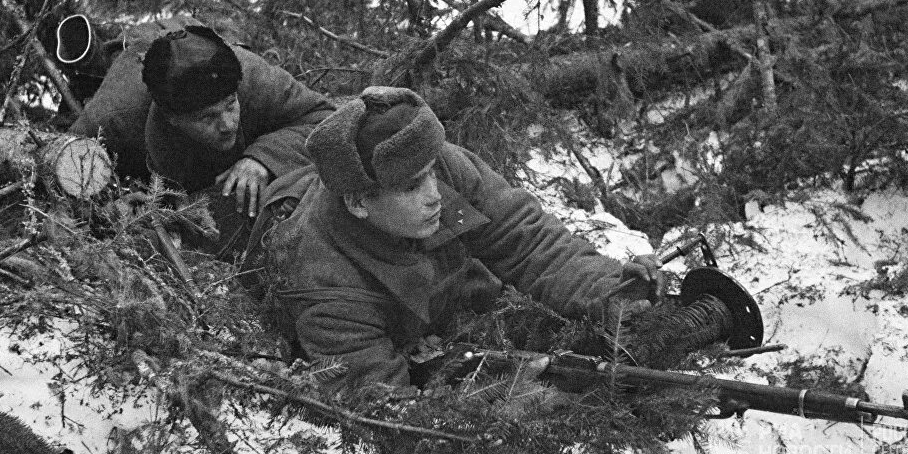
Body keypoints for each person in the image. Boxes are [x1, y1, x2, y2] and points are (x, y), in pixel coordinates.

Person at [252, 86, 664, 393]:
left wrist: (613, 295)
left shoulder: (434, 167)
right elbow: (382, 408)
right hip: (287, 227)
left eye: (433, 171)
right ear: (360, 202)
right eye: (414, 185)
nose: (435, 193)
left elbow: (529, 242)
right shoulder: (320, 278)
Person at [70, 21, 334, 219]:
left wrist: (263, 157)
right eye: (207, 117)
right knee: (95, 74)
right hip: (135, 61)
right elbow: (63, 161)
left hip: (188, 35)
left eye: (231, 105)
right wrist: (113, 200)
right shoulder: (115, 118)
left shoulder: (251, 75)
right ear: (172, 117)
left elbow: (325, 119)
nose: (227, 124)